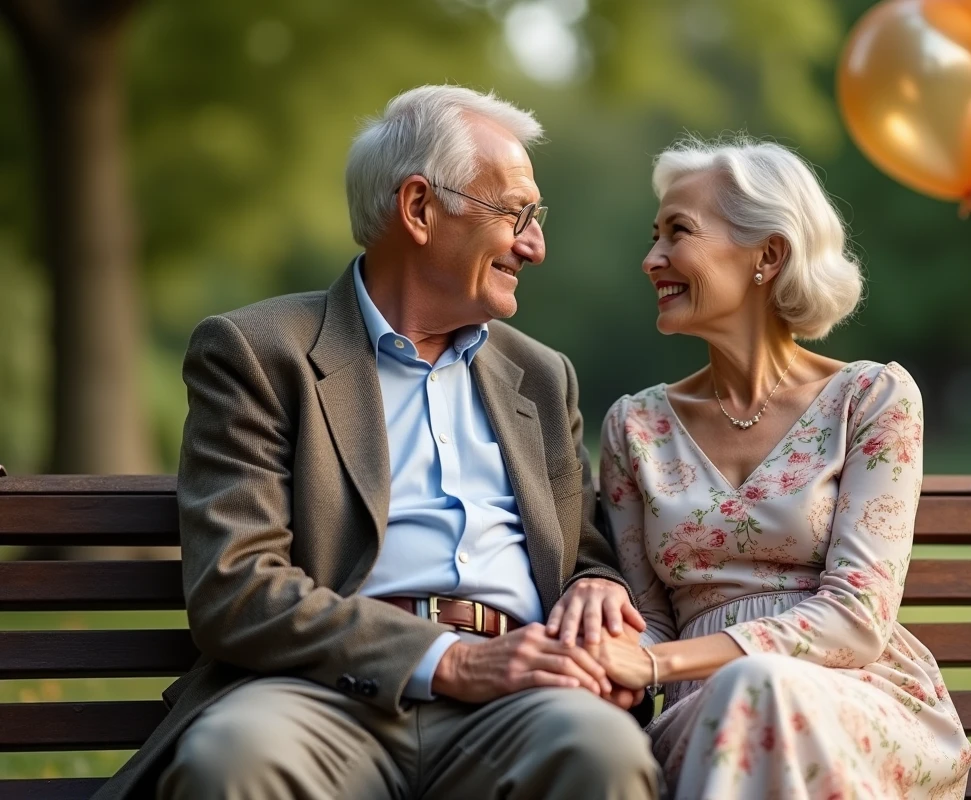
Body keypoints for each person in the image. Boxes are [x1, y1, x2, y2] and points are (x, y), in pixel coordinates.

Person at [95, 85, 660, 800]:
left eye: (535, 219)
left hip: (517, 701)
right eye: (516, 214)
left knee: (600, 750)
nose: (535, 244)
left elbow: (585, 552)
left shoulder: (541, 376)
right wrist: (447, 660)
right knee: (234, 756)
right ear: (420, 208)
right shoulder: (260, 352)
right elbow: (238, 587)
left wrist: (597, 587)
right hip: (320, 692)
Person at [585, 135, 971, 799]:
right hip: (700, 718)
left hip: (855, 706)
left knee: (759, 684)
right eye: (653, 236)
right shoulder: (634, 426)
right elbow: (650, 618)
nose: (652, 259)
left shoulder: (871, 399)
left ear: (767, 254)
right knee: (749, 689)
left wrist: (654, 662)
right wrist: (603, 644)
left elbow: (857, 617)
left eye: (677, 232)